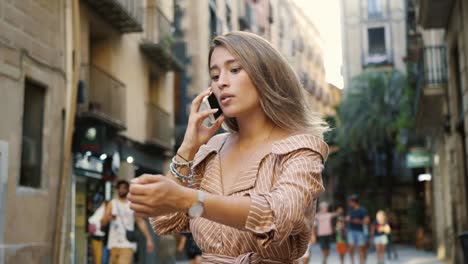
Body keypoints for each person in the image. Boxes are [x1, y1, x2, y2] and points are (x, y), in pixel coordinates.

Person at [127, 31, 329, 263]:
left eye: (234, 70)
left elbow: (278, 215)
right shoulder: (212, 149)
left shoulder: (300, 148)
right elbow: (166, 221)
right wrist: (187, 149)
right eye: (214, 75)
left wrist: (189, 200)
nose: (221, 82)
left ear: (266, 76)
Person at [101, 180, 154, 264]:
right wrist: (108, 217)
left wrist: (149, 239)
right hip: (113, 243)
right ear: (117, 190)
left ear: (128, 190)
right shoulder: (112, 204)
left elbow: (140, 222)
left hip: (127, 243)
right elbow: (103, 222)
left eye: (124, 188)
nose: (122, 190)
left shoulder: (132, 205)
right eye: (119, 188)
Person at [346, 194, 370, 264]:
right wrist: (348, 219)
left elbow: (367, 220)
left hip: (360, 231)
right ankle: (352, 262)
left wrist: (359, 221)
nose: (349, 203)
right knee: (351, 247)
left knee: (361, 249)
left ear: (354, 202)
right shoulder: (350, 210)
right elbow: (348, 218)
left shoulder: (362, 210)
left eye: (350, 202)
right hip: (351, 231)